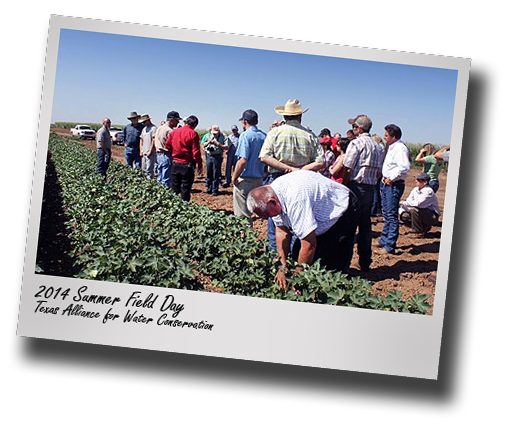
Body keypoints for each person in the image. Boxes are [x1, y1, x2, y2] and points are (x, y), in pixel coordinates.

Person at [247, 170, 359, 288]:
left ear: (273, 202)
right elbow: (281, 231)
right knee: (299, 256)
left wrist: (297, 279)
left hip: (341, 209)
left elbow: (309, 245)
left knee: (332, 264)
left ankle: (339, 289)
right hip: (318, 213)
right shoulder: (272, 195)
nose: (266, 218)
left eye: (266, 215)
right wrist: (283, 266)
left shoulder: (295, 199)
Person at [259, 98, 326, 252]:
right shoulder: (309, 135)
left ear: (284, 117)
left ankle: (276, 259)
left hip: (278, 179)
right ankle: (295, 257)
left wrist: (287, 168)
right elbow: (321, 162)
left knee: (277, 222)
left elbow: (264, 157)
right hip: (303, 181)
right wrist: (300, 170)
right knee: (300, 220)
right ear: (300, 116)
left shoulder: (275, 133)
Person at [342, 114, 385, 272]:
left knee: (349, 225)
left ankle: (344, 263)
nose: (353, 129)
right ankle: (365, 261)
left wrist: (345, 184)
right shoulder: (376, 146)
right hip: (370, 188)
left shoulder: (356, 143)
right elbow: (379, 172)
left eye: (354, 127)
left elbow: (348, 167)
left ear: (359, 128)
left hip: (356, 186)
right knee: (365, 225)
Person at [379, 124, 411, 254]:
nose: (384, 137)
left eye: (386, 135)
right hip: (387, 182)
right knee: (387, 213)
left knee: (391, 215)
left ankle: (389, 245)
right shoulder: (392, 147)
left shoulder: (400, 148)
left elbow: (404, 167)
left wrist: (391, 178)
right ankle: (383, 240)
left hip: (393, 184)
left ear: (394, 136)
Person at [231, 109, 267, 224]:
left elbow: (243, 160)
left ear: (244, 121)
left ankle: (245, 240)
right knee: (251, 210)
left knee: (242, 215)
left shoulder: (245, 136)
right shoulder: (264, 136)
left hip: (245, 180)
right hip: (258, 180)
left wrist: (234, 177)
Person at [165, 115, 203, 201]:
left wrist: (174, 152)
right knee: (185, 189)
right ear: (195, 125)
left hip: (175, 164)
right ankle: (184, 209)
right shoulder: (193, 133)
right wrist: (200, 165)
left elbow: (167, 145)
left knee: (174, 188)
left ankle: (172, 208)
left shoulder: (175, 132)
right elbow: (196, 152)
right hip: (187, 165)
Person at [399, 172, 440, 237]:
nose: (416, 181)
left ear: (425, 182)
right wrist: (401, 210)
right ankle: (424, 228)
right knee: (404, 215)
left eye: (418, 180)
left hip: (432, 216)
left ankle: (418, 232)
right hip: (422, 213)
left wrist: (404, 203)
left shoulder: (428, 191)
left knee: (414, 210)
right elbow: (409, 201)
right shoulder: (415, 189)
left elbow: (418, 204)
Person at [154, 111, 182, 188]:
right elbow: (171, 144)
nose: (178, 122)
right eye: (177, 120)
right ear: (171, 120)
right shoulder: (169, 131)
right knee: (166, 178)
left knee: (160, 177)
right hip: (166, 154)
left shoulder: (159, 128)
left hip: (159, 155)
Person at [201, 125, 227, 195]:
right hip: (209, 155)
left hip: (217, 156)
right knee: (209, 173)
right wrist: (209, 142)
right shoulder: (208, 135)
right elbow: (203, 145)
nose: (214, 134)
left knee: (216, 173)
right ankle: (209, 189)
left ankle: (215, 190)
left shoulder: (223, 136)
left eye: (216, 132)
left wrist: (217, 144)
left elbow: (226, 147)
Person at [371, 133, 386, 216]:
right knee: (377, 189)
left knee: (375, 190)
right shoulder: (382, 147)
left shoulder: (378, 147)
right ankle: (378, 209)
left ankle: (374, 209)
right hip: (381, 170)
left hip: (378, 170)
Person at [139, 114, 157, 180]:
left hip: (150, 153)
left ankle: (149, 183)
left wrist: (150, 150)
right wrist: (141, 149)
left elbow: (153, 140)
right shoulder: (144, 129)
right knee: (143, 169)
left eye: (144, 122)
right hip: (144, 152)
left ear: (148, 120)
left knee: (149, 170)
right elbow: (141, 139)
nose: (143, 123)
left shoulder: (153, 128)